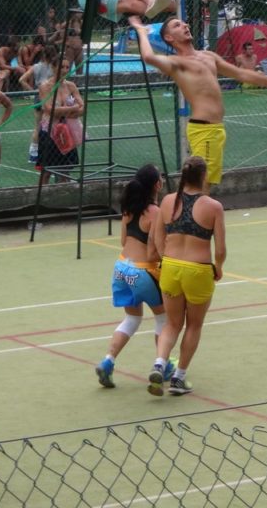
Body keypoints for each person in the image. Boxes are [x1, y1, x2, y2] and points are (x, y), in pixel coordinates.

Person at [130, 16, 267, 189]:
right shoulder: (177, 63)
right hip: (204, 129)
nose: (185, 25)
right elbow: (149, 57)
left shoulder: (208, 56)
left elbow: (242, 74)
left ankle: (187, 214)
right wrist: (142, 31)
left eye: (184, 23)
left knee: (204, 186)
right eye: (177, 25)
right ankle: (190, 214)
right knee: (201, 187)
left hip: (215, 130)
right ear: (169, 38)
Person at [147, 156, 225, 396]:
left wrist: (165, 257)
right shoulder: (213, 206)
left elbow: (157, 237)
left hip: (170, 267)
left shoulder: (168, 201)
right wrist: (218, 267)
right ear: (203, 177)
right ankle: (179, 377)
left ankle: (160, 363)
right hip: (198, 269)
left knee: (172, 323)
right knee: (193, 324)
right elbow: (220, 249)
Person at [96, 164, 171, 389]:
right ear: (157, 184)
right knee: (163, 319)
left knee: (132, 318)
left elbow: (122, 241)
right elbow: (156, 248)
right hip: (142, 271)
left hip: (121, 268)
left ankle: (108, 361)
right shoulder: (156, 212)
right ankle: (162, 364)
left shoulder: (129, 209)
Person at [36, 57, 84, 186]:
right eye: (61, 67)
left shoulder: (71, 86)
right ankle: (40, 199)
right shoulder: (45, 86)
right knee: (46, 171)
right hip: (50, 132)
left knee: (66, 170)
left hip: (67, 132)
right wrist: (72, 109)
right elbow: (49, 109)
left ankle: (64, 196)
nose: (65, 70)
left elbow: (82, 108)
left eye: (67, 67)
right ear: (53, 67)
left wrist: (69, 110)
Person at [18, 44, 60, 164]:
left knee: (38, 126)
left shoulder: (36, 67)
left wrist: (33, 91)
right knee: (52, 125)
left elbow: (21, 79)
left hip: (39, 97)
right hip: (51, 98)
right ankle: (51, 152)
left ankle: (33, 154)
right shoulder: (54, 68)